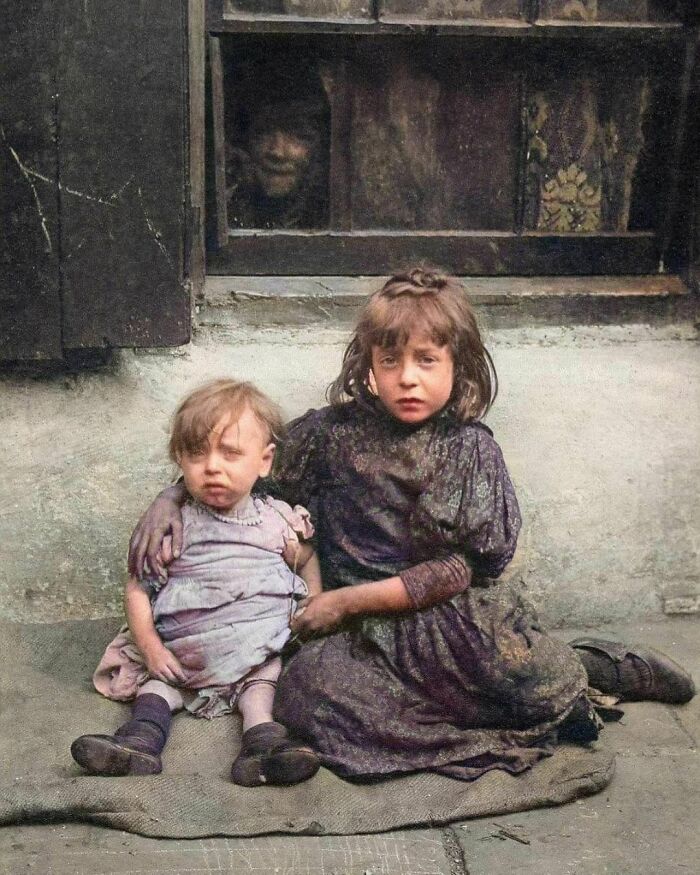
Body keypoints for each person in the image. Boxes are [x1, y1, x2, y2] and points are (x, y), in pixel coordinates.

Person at [129, 269, 695, 782]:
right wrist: (170, 497)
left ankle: (593, 668)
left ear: (458, 366)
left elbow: (458, 572)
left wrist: (344, 601)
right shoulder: (330, 435)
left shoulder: (468, 449)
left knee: (521, 669)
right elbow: (245, 466)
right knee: (304, 696)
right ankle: (496, 721)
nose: (407, 379)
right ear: (368, 365)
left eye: (427, 361)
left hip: (445, 620)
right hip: (358, 636)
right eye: (390, 361)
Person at [72, 379, 321, 786]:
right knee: (157, 690)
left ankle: (263, 749)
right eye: (196, 454)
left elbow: (306, 559)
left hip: (253, 654)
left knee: (261, 688)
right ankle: (137, 744)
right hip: (181, 655)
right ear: (180, 460)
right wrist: (152, 649)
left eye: (230, 453)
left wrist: (314, 601)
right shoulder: (175, 525)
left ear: (264, 461)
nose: (212, 467)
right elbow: (138, 588)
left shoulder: (275, 521)